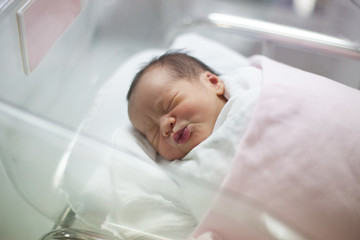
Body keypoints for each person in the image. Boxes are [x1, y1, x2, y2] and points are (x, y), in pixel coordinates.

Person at [127, 51, 228, 161]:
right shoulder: (176, 170)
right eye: (155, 133)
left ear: (212, 83)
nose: (165, 126)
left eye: (170, 104)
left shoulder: (246, 101)